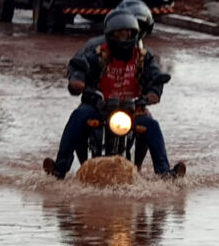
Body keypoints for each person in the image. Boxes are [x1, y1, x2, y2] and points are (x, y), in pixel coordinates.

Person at [43, 11, 185, 180]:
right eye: (119, 33)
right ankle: (59, 169)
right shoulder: (99, 54)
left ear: (135, 34)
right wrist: (77, 81)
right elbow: (80, 67)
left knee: (152, 125)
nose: (124, 38)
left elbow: (155, 76)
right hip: (99, 106)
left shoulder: (143, 57)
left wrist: (153, 93)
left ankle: (164, 174)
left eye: (128, 33)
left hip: (133, 108)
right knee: (78, 117)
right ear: (110, 35)